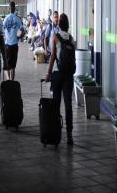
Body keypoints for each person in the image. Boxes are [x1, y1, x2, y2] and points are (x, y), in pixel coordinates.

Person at [45, 13, 75, 146]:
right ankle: (69, 134)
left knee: (56, 104)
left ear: (59, 24)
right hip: (68, 75)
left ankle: (56, 132)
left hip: (57, 74)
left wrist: (48, 73)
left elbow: (52, 58)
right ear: (67, 25)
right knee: (68, 105)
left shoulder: (55, 38)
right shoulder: (72, 38)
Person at [3, 1, 24, 81]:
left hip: (7, 45)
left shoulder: (5, 19)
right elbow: (23, 32)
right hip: (14, 45)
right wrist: (18, 37)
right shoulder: (17, 19)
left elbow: (2, 32)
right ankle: (11, 82)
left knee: (6, 66)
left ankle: (8, 79)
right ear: (15, 9)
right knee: (13, 66)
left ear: (9, 8)